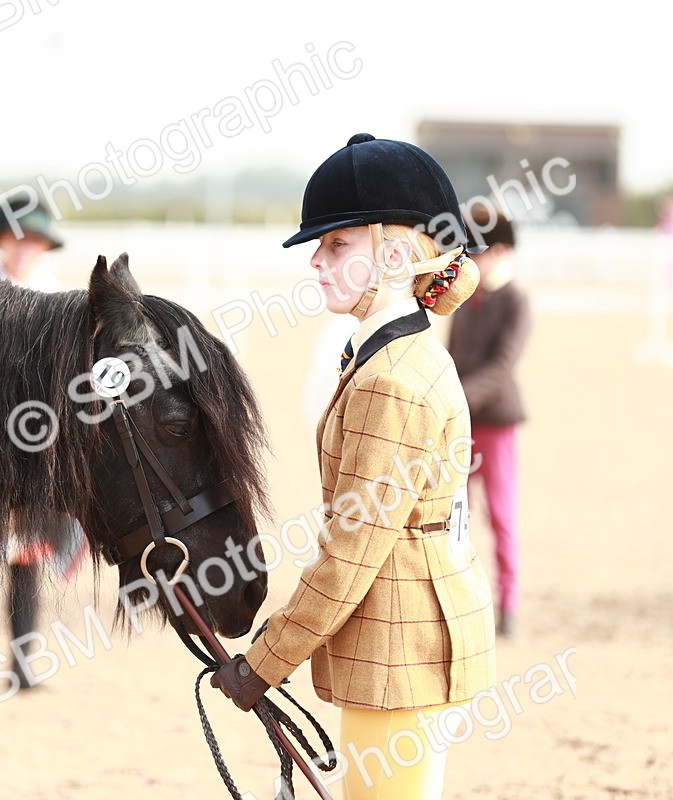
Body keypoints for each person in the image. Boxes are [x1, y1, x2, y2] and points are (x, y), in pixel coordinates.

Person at [212, 135, 496, 799]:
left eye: (338, 245)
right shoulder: (391, 354)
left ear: (396, 254)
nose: (316, 259)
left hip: (399, 649)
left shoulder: (389, 382)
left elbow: (350, 554)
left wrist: (265, 662)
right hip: (410, 639)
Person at [0, 193, 86, 692]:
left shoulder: (57, 296)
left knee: (28, 555)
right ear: (2, 239)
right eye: (20, 236)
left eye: (36, 238)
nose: (27, 247)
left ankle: (23, 663)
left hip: (35, 445)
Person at [446, 208, 530, 639]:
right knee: (456, 512)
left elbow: (502, 366)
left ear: (500, 251)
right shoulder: (465, 300)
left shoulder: (515, 299)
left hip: (496, 422)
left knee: (501, 514)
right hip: (460, 423)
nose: (471, 262)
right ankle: (461, 600)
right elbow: (451, 355)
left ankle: (510, 603)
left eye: (479, 253)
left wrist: (456, 394)